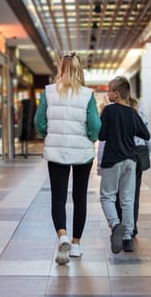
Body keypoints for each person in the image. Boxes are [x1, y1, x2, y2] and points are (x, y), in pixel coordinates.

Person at [34, 52, 101, 265]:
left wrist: (49, 135)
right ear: (80, 69)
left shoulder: (49, 92)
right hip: (82, 152)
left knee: (58, 197)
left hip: (56, 153)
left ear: (61, 69)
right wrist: (90, 138)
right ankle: (76, 244)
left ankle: (62, 235)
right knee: (80, 197)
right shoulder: (88, 94)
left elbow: (39, 122)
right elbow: (95, 125)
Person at [98, 76, 150, 254]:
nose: (108, 94)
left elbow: (102, 136)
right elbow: (145, 134)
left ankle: (115, 225)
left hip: (113, 159)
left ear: (116, 93)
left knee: (107, 196)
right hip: (131, 160)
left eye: (109, 91)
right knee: (128, 199)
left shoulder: (109, 111)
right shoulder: (132, 112)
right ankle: (127, 238)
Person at [114, 97, 151, 238]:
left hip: (119, 154)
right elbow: (147, 134)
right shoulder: (139, 111)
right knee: (133, 194)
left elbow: (105, 141)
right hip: (137, 155)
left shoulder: (114, 111)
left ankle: (119, 225)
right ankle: (132, 227)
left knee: (118, 193)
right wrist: (149, 152)